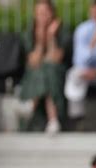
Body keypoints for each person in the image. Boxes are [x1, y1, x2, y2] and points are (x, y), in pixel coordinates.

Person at [16, 0, 68, 133]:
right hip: (36, 73)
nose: (42, 17)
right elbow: (34, 61)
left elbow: (55, 59)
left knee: (49, 69)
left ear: (52, 14)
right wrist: (40, 40)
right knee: (44, 70)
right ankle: (53, 120)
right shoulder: (29, 31)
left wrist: (51, 37)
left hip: (56, 73)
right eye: (39, 13)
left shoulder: (62, 31)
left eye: (45, 13)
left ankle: (30, 106)